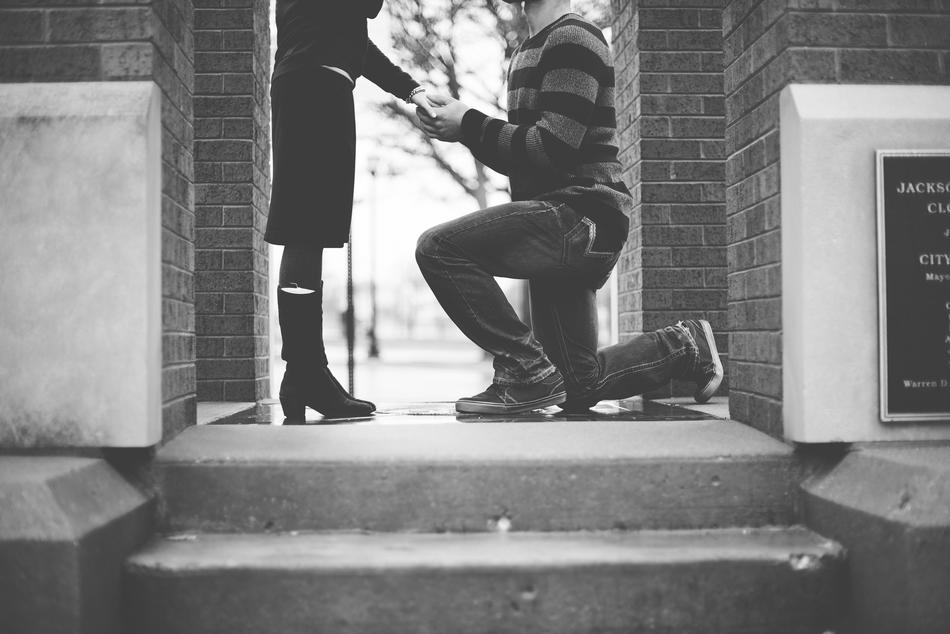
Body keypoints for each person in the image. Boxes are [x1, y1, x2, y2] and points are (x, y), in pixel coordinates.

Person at [415, 0, 723, 414]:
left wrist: (468, 123)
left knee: (440, 248)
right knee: (575, 385)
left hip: (582, 215)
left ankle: (524, 371)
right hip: (558, 217)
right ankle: (684, 345)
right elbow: (526, 153)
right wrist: (461, 130)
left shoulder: (573, 37)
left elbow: (554, 147)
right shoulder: (530, 48)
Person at [267, 0, 434, 421]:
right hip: (315, 89)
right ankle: (305, 373)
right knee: (306, 230)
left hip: (313, 84)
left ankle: (304, 373)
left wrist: (411, 89)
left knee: (308, 231)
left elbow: (352, 38)